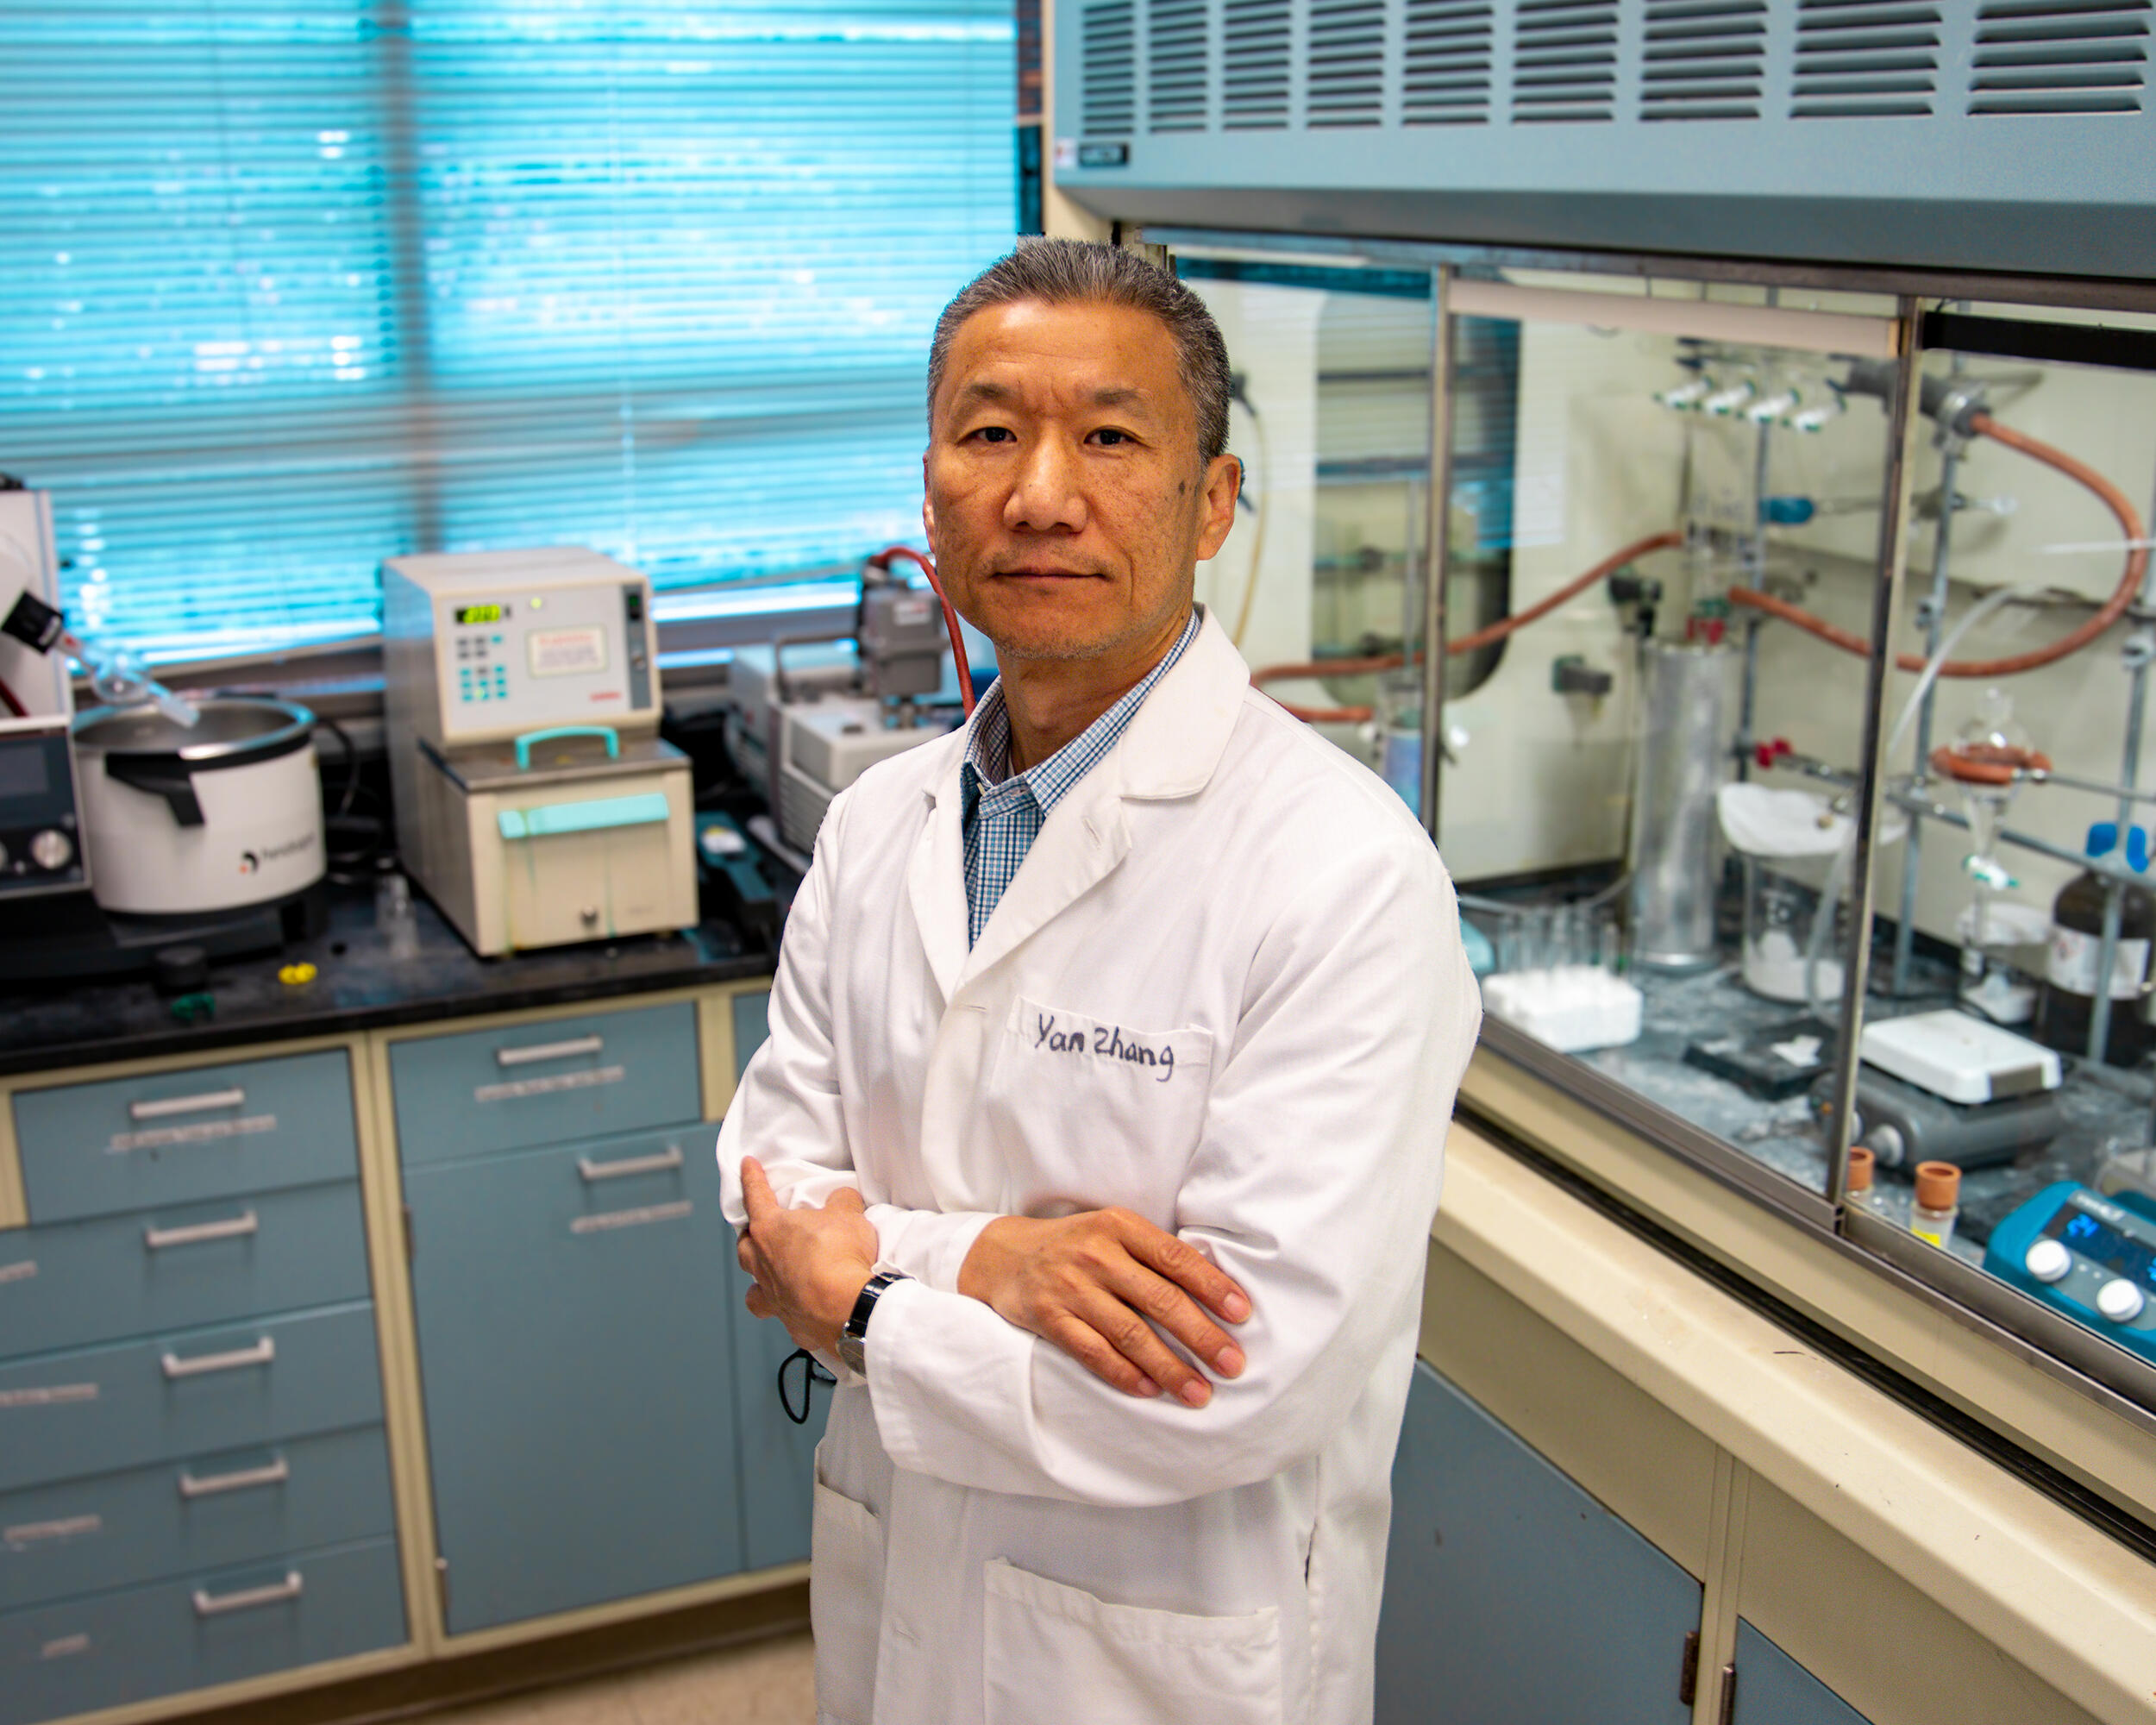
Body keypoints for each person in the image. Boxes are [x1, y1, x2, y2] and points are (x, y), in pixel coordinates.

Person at [719, 237, 1481, 1725]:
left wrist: (873, 1302)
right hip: (897, 1610)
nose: (1042, 493)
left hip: (1162, 1660)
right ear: (930, 492)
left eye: (1111, 437)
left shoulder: (1343, 877)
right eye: (990, 431)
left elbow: (1232, 1378)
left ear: (1210, 506)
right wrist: (992, 1265)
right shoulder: (881, 827)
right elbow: (769, 1195)